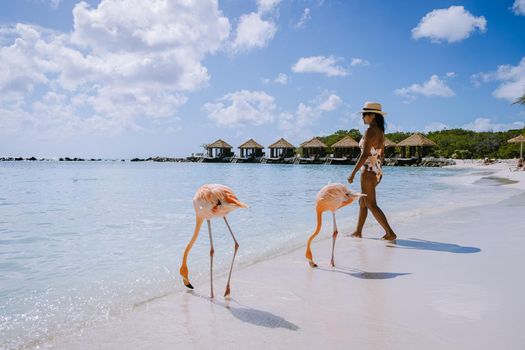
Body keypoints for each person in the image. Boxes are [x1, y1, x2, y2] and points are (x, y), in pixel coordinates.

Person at [347, 102, 397, 241]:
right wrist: (379, 172)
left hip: (368, 171)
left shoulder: (370, 131)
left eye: (364, 115)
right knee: (363, 202)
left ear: (372, 115)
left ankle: (390, 233)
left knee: (370, 203)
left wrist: (352, 173)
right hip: (375, 170)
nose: (362, 117)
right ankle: (358, 231)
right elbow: (381, 155)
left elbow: (364, 155)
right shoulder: (380, 132)